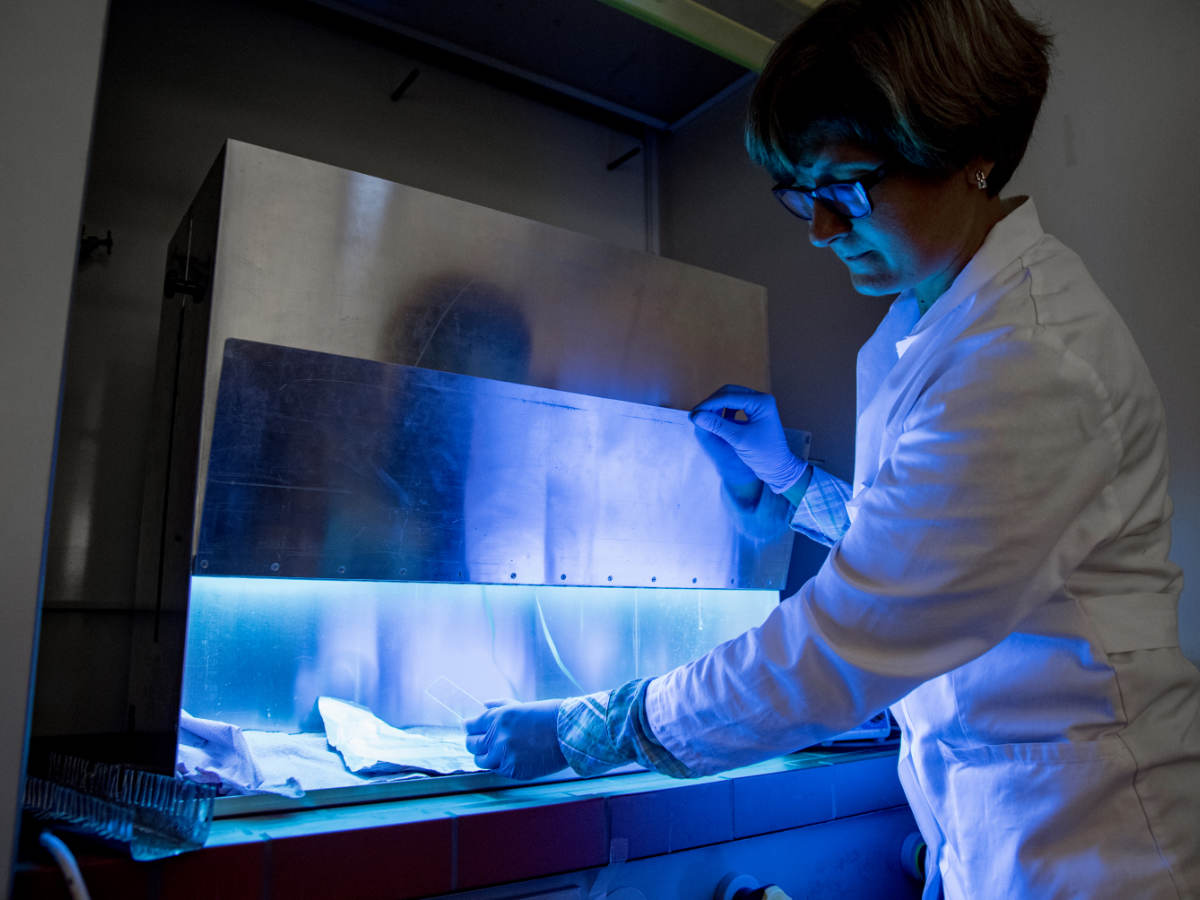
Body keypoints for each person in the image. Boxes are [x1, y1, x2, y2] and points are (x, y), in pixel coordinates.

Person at [464, 0, 1200, 896]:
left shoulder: (1031, 361)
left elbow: (846, 639)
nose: (818, 228)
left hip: (1091, 850)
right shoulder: (941, 319)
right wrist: (790, 478)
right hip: (1000, 829)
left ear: (972, 151)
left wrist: (588, 729)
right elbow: (929, 548)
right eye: (799, 194)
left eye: (846, 187)